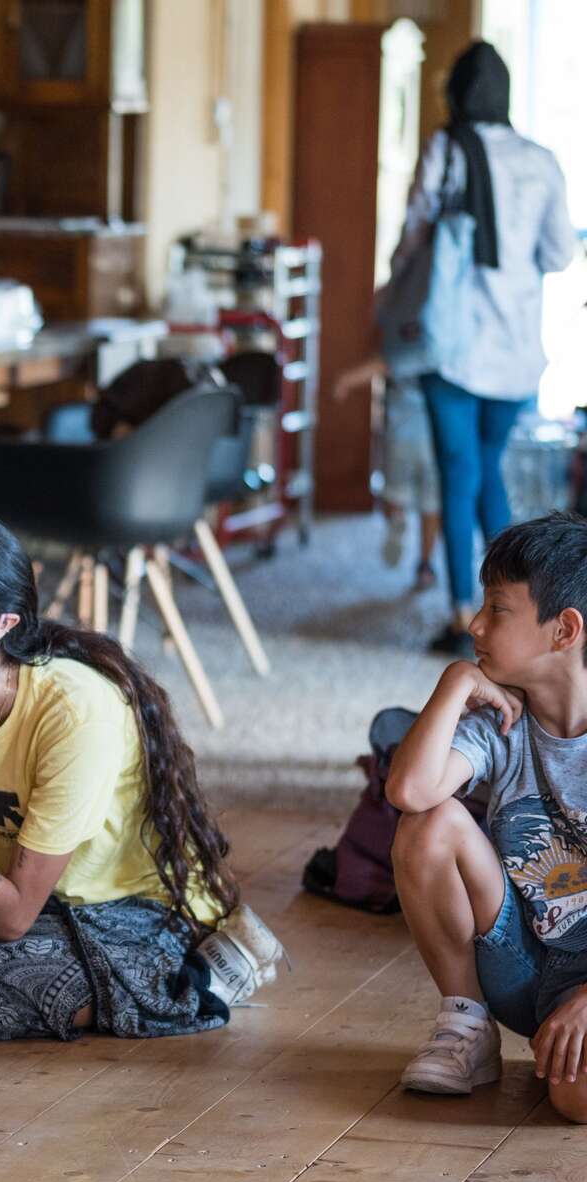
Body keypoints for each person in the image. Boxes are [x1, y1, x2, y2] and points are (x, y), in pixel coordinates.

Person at [0, 515, 279, 1042]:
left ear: (0, 624)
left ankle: (200, 976)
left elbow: (12, 918)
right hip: (24, 902)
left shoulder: (73, 709)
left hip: (127, 913)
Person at [387, 512, 587, 1121]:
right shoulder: (501, 722)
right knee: (429, 823)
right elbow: (409, 791)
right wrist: (455, 683)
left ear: (564, 629)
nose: (475, 624)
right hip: (521, 963)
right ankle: (467, 1026)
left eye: (497, 610)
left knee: (575, 1103)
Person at [386, 42, 578, 656]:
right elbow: (557, 255)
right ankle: (521, 616)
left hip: (454, 346)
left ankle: (462, 612)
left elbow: (414, 236)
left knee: (457, 475)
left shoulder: (446, 149)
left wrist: (391, 297)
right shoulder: (542, 160)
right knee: (486, 470)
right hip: (518, 352)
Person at [335, 353, 440, 592]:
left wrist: (344, 381)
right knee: (431, 504)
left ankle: (397, 520)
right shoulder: (442, 348)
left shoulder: (399, 344)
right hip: (435, 438)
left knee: (393, 494)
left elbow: (382, 362)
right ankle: (425, 565)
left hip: (400, 437)